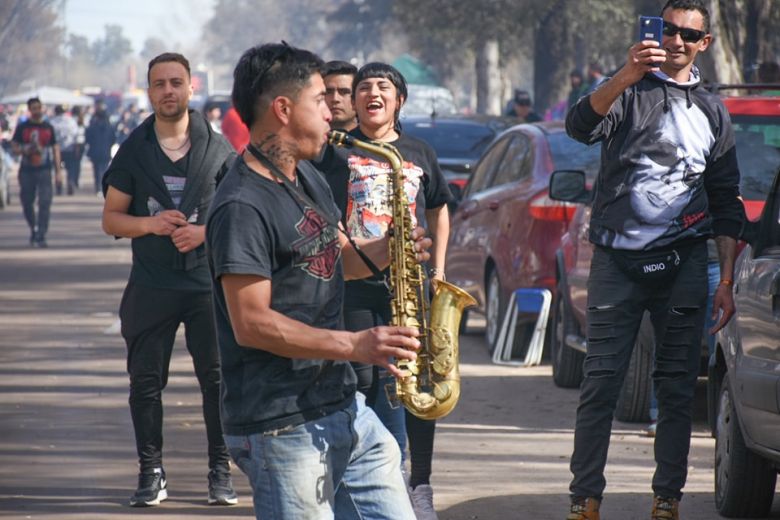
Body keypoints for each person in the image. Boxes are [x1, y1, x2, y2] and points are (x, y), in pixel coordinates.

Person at [206, 42, 432, 520]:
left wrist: (392, 250)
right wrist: (355, 345)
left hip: (342, 405)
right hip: (279, 424)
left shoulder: (306, 175)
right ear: (283, 110)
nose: (334, 112)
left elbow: (340, 258)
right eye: (320, 101)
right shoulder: (242, 205)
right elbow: (251, 324)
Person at [564, 1, 743, 519]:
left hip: (685, 263)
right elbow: (580, 126)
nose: (676, 41)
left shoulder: (711, 108)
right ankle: (585, 499)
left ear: (704, 43)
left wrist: (726, 278)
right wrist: (626, 72)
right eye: (667, 30)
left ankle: (667, 498)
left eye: (689, 34)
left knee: (676, 384)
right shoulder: (628, 89)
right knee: (601, 380)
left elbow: (727, 199)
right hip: (617, 260)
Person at [101, 52, 238, 508]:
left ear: (191, 87)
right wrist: (151, 225)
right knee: (144, 383)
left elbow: (239, 216)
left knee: (218, 382)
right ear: (148, 90)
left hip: (206, 285)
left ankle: (221, 472)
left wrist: (204, 232)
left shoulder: (219, 151)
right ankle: (151, 472)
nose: (168, 91)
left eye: (175, 82)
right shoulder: (134, 150)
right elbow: (112, 220)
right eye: (159, 83)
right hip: (152, 284)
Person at [319, 62, 452, 520]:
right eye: (363, 88)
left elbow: (438, 209)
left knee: (417, 387)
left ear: (399, 100)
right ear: (354, 102)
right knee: (362, 383)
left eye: (383, 86)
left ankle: (420, 485)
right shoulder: (336, 153)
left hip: (409, 286)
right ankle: (368, 478)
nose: (371, 92)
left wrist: (437, 270)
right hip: (355, 285)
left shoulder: (419, 151)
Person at [11, 97, 62, 247]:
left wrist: (58, 172)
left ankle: (41, 233)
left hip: (44, 170)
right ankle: (33, 228)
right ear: (29, 110)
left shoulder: (48, 127)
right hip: (26, 170)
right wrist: (23, 150)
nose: (37, 111)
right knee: (27, 202)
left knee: (45, 202)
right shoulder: (22, 127)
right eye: (34, 108)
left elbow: (55, 149)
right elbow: (14, 146)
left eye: (39, 108)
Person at [50, 105, 80, 195]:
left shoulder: (52, 122)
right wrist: (77, 149)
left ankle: (59, 186)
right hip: (70, 148)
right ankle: (70, 182)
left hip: (56, 150)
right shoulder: (71, 121)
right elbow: (76, 136)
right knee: (70, 168)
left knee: (57, 169)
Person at [85, 107, 116, 194]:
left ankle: (98, 187)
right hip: (106, 151)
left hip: (95, 151)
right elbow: (113, 139)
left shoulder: (92, 127)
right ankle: (103, 187)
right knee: (105, 169)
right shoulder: (110, 127)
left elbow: (87, 139)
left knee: (96, 170)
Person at [323, 60, 358, 131]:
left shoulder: (376, 140)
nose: (335, 99)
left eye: (344, 92)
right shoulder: (303, 140)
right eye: (328, 92)